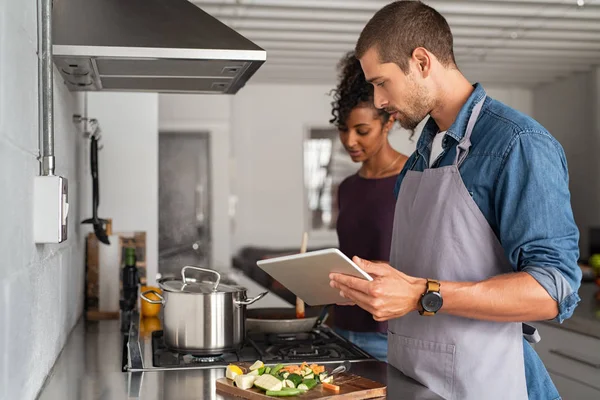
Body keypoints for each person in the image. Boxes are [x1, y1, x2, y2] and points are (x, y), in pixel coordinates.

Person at [329, 2, 581, 400]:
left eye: (382, 82)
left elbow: (553, 290)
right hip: (414, 379)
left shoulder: (518, 144)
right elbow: (433, 267)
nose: (378, 100)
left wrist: (419, 294)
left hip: (488, 383)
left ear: (422, 61)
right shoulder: (418, 159)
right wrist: (382, 282)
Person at [329, 52, 408, 362]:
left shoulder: (414, 179)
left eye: (362, 131)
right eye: (343, 129)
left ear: (389, 122)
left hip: (388, 333)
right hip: (342, 327)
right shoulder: (347, 187)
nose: (349, 140)